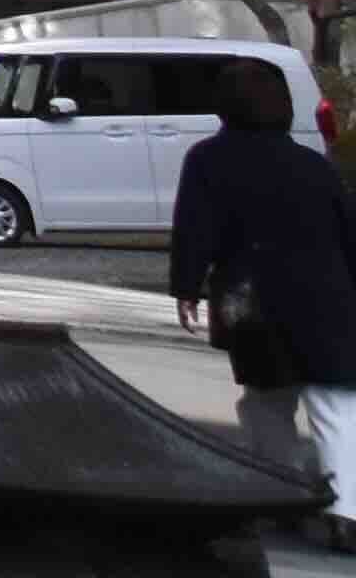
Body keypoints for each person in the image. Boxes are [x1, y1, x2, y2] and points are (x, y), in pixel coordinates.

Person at [174, 58, 356, 529]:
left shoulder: (207, 159)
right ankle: (346, 510)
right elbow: (347, 232)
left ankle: (280, 491)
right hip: (327, 298)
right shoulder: (314, 165)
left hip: (253, 301)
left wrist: (187, 287)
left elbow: (196, 229)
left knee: (266, 401)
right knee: (335, 405)